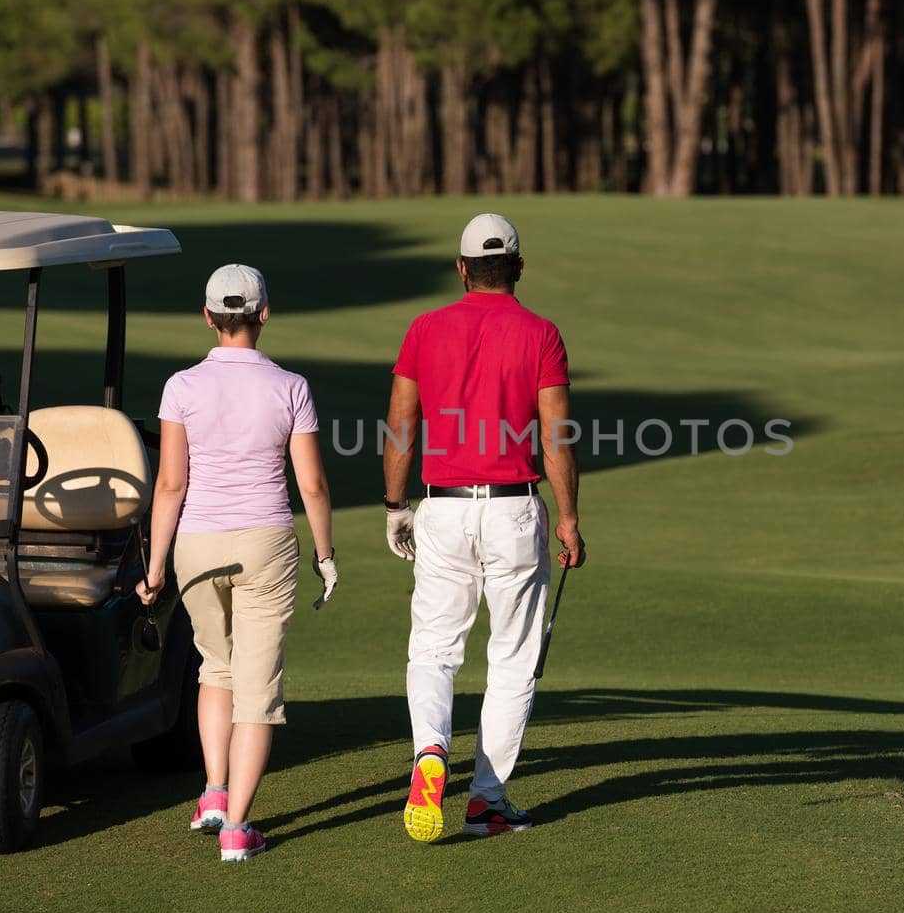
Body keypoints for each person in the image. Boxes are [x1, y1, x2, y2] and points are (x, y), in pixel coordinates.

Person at [382, 212, 586, 842]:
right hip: (513, 509)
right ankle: (487, 800)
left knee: (434, 649)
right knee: (513, 659)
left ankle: (430, 755)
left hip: (442, 508)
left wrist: (395, 504)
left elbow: (401, 425)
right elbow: (555, 439)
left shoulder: (424, 329)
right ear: (518, 268)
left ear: (462, 268)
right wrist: (571, 519)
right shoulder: (542, 334)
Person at [138, 263, 338, 863]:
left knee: (214, 668)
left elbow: (170, 484)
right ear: (264, 314)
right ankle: (236, 830)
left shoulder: (181, 386)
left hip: (197, 544)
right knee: (258, 690)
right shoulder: (291, 387)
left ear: (208, 317)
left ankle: (214, 794)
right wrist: (326, 556)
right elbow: (314, 485)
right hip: (266, 543)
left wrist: (154, 569)